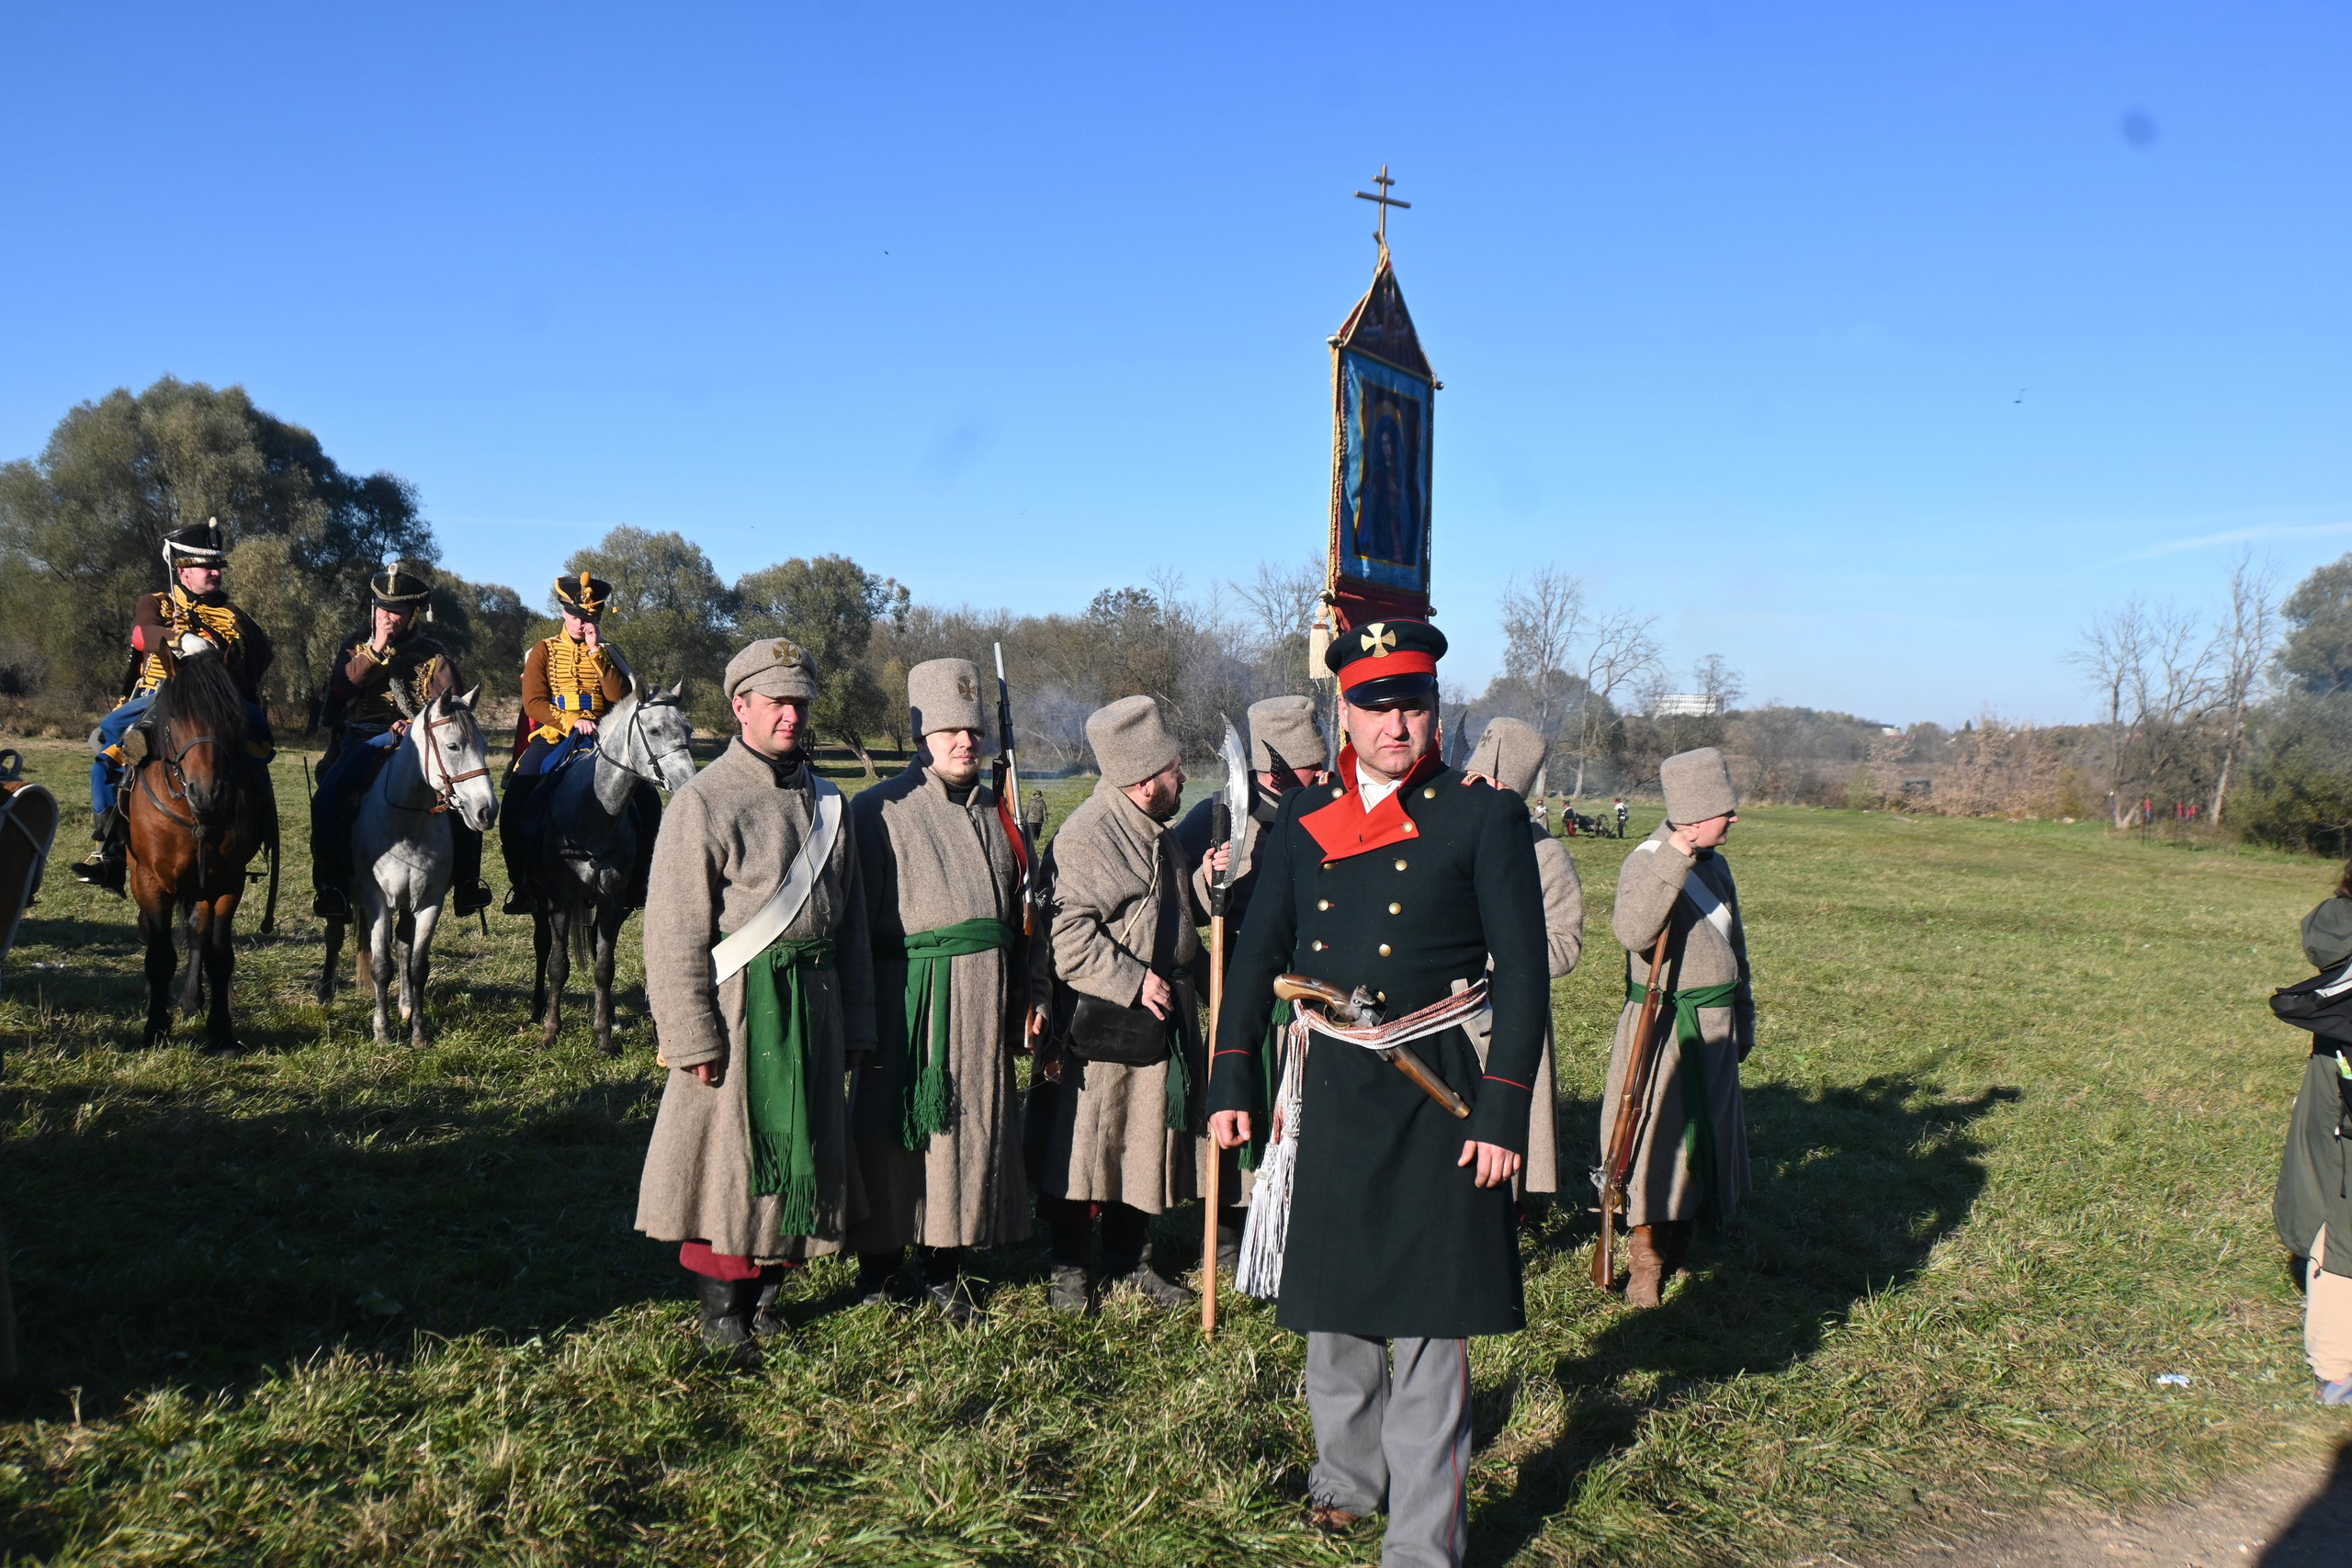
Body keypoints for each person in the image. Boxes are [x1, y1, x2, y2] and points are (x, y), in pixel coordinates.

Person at [1208, 618, 1548, 1567]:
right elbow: (1257, 954)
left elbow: (1524, 973)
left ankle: (1420, 1544)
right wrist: (1230, 1071)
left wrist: (1505, 1108)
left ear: (1434, 707)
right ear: (1342, 710)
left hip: (1434, 1086)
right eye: (1374, 705)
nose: (1395, 725)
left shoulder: (1481, 815)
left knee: (1432, 1318)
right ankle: (1346, 1484)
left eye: (1412, 704)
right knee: (1335, 1300)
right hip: (1328, 1084)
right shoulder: (1303, 818)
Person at [635, 637, 877, 1360]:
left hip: (820, 1001)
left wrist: (858, 1021)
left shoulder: (832, 803)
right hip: (741, 1008)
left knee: (804, 1147)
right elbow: (672, 930)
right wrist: (691, 1033)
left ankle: (770, 1294)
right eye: (777, 703)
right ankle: (722, 1309)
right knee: (729, 1159)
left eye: (800, 703)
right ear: (741, 706)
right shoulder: (703, 800)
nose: (792, 716)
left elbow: (853, 922)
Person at [845, 658, 1031, 1321]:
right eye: (949, 729)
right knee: (890, 1134)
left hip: (984, 1001)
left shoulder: (998, 815)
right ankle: (879, 1266)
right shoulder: (876, 811)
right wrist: (860, 1018)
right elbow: (854, 924)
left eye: (973, 729)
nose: (964, 742)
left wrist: (1025, 998)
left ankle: (946, 1265)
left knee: (968, 1131)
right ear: (922, 734)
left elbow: (1020, 915)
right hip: (906, 999)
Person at [1031, 694, 1226, 1314]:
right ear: (1144, 782)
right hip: (1101, 1028)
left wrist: (1201, 881)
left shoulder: (1151, 827)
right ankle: (1069, 1270)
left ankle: (1130, 1257)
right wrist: (1134, 981)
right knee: (1084, 1147)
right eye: (1173, 768)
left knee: (1138, 1144)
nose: (1183, 776)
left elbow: (1168, 910)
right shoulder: (1090, 834)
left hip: (1153, 1025)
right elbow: (1065, 937)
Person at [1173, 694, 1331, 1277]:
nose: (1322, 775)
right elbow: (1174, 901)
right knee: (1235, 1104)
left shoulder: (1324, 808)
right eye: (1311, 767)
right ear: (1275, 768)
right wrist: (1203, 880)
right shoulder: (1215, 816)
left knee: (1294, 1111)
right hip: (1234, 984)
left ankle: (1287, 1219)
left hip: (1307, 990)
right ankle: (1223, 1231)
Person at [1606, 746, 1755, 1308]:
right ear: (1694, 818)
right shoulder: (1648, 860)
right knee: (1651, 1142)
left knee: (1704, 1141)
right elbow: (1633, 931)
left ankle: (1685, 1241)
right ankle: (1646, 1258)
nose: (1734, 819)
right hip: (1662, 1024)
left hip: (1714, 1023)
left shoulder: (1719, 867)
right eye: (1725, 810)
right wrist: (1676, 858)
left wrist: (1744, 1014)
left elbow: (1736, 947)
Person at [74, 519, 275, 892]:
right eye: (206, 567)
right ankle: (110, 850)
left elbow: (263, 656)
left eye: (217, 566)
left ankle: (258, 831)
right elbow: (140, 635)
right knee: (108, 754)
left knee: (259, 746)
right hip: (160, 695)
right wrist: (180, 636)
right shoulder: (157, 602)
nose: (215, 573)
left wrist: (230, 665)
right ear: (182, 570)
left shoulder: (235, 615)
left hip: (217, 699)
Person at [310, 565, 491, 920]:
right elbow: (339, 692)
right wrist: (376, 649)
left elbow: (452, 712)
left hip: (421, 747)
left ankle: (468, 882)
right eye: (381, 609)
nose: (387, 618)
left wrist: (415, 725)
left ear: (412, 616)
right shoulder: (354, 646)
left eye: (396, 612)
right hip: (361, 740)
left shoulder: (435, 655)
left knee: (462, 802)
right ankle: (332, 886)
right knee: (329, 796)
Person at [1464, 717, 1585, 1200]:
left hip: (1506, 1010)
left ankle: (1507, 1208)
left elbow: (1564, 946)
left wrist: (1502, 949)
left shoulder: (1547, 855)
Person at [499, 570, 655, 914]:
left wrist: (596, 652)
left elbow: (620, 696)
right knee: (515, 801)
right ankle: (523, 884)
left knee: (648, 800)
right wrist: (571, 720)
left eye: (590, 618)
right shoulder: (544, 650)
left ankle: (638, 884)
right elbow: (534, 703)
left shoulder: (609, 653)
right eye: (576, 616)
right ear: (563, 612)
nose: (582, 623)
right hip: (555, 736)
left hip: (602, 738)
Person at [2274, 863, 2352, 1404]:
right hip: (2342, 1097)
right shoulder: (2341, 926)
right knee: (2342, 1221)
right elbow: (2327, 934)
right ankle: (2336, 1367)